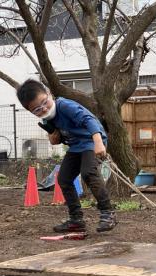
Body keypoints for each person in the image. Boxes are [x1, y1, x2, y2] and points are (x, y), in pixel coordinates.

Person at [16, 79, 117, 233]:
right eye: (37, 109)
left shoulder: (64, 106)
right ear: (32, 112)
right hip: (76, 146)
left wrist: (98, 141)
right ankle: (76, 219)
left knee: (88, 172)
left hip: (91, 140)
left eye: (45, 102)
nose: (43, 109)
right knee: (63, 178)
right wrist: (53, 137)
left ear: (49, 94)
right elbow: (56, 139)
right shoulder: (47, 119)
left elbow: (88, 119)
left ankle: (108, 213)